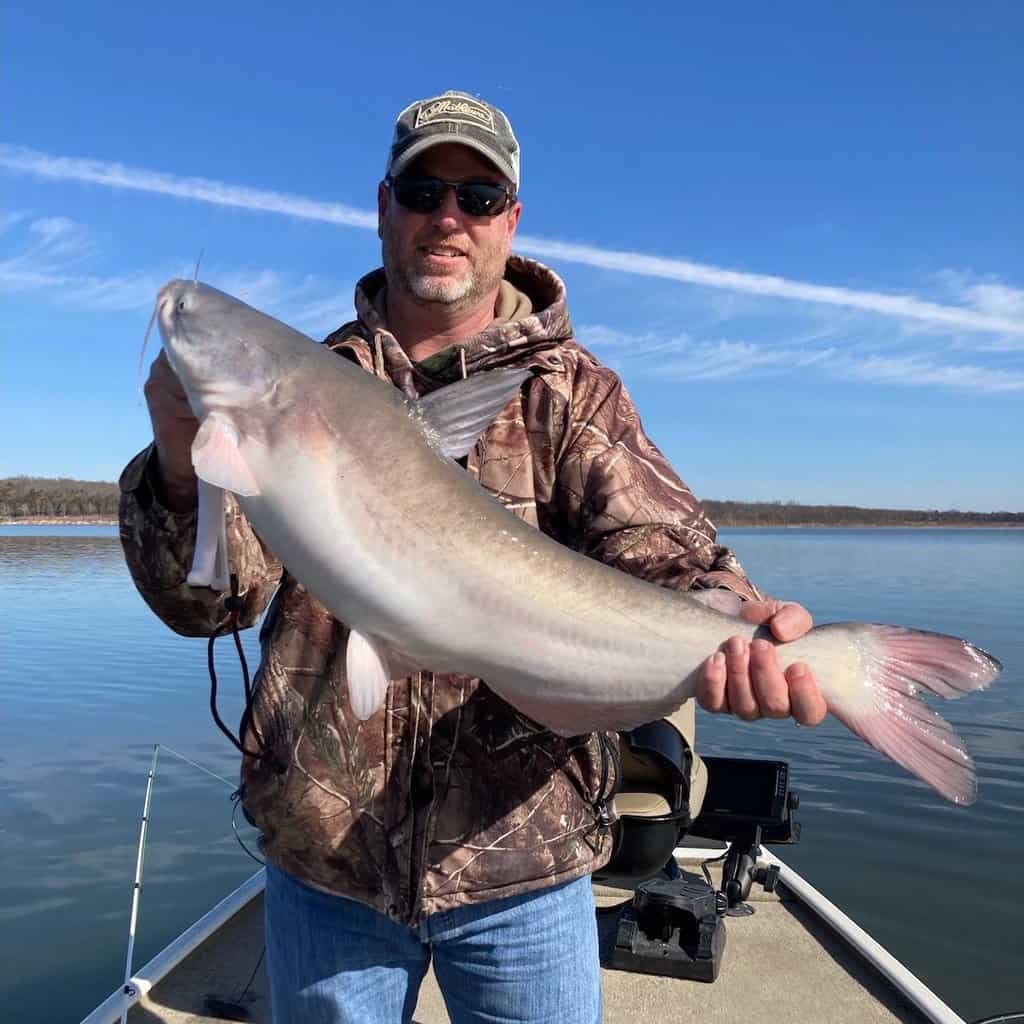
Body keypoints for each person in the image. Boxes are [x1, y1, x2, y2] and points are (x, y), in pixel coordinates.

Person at [120, 90, 827, 1024]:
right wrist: (179, 458)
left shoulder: (571, 394)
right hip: (327, 867)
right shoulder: (306, 386)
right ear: (384, 207)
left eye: (479, 197)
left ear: (511, 221)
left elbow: (664, 549)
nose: (448, 217)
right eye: (423, 190)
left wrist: (734, 615)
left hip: (521, 866)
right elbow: (210, 604)